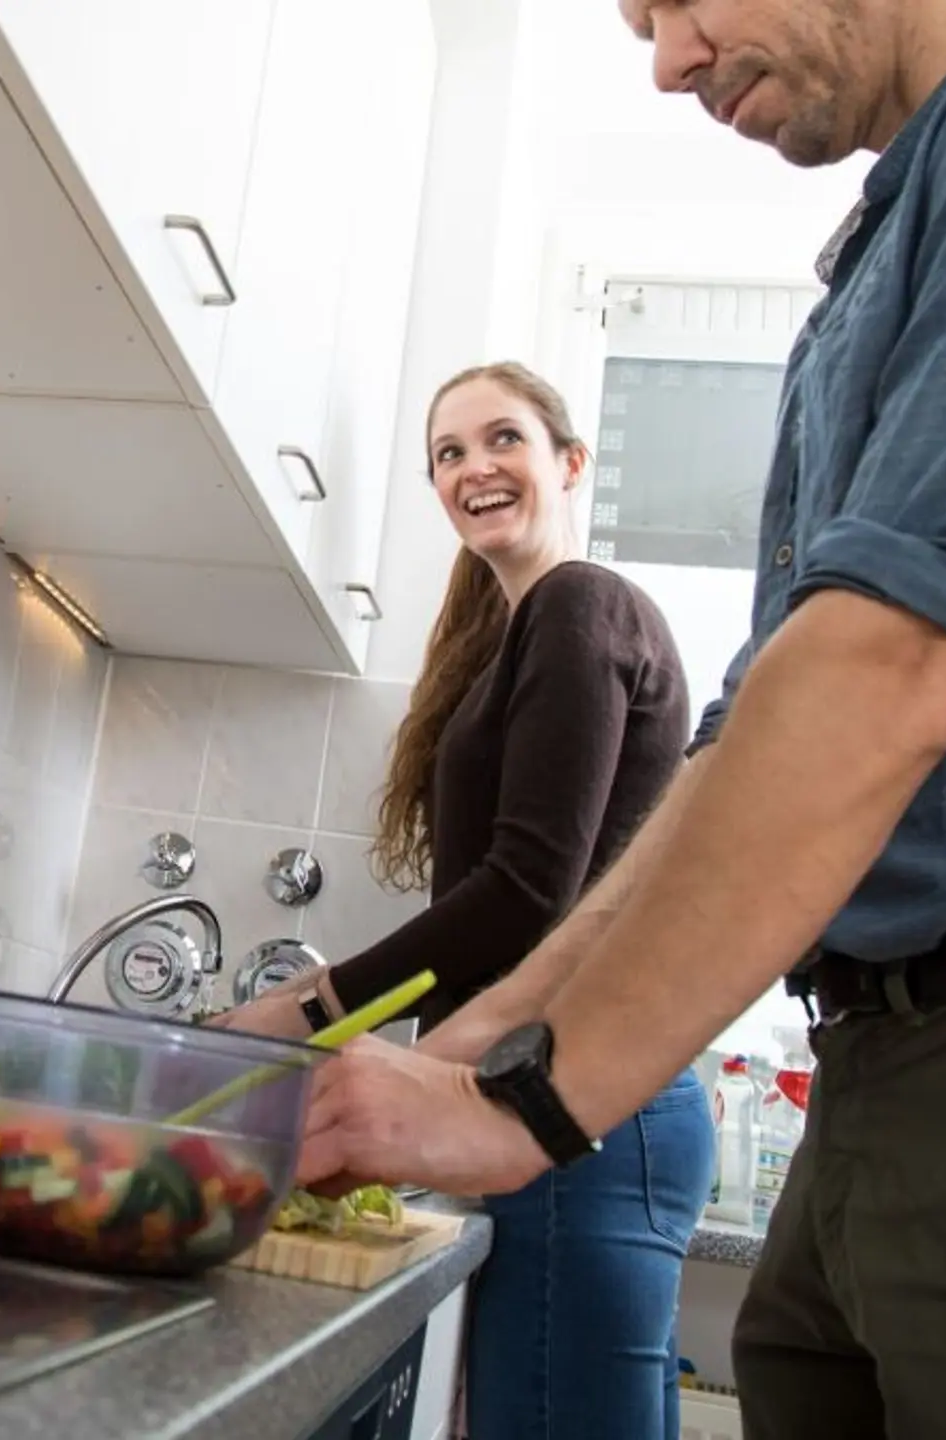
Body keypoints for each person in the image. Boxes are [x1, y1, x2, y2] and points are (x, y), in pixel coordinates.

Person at [288, 1, 946, 1437]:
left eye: (672, 3)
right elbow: (749, 743)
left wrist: (528, 1107)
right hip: (890, 1063)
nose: (667, 60)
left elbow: (902, 664)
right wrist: (469, 1048)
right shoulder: (883, 258)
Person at [215, 361, 712, 1439]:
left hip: (584, 1096)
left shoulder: (583, 604)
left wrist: (300, 1011)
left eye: (503, 440)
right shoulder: (516, 640)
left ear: (569, 462)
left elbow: (524, 896)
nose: (473, 467)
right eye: (448, 453)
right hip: (563, 1093)